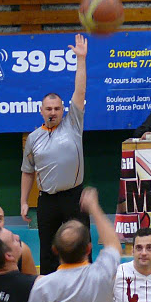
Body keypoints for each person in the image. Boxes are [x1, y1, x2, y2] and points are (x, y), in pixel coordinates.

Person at [20, 34, 89, 276]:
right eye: (48, 108)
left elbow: (79, 90)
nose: (53, 112)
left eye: (57, 108)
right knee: (48, 249)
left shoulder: (73, 124)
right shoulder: (33, 138)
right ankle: (49, 286)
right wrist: (23, 201)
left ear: (63, 110)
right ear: (41, 111)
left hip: (74, 197)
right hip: (47, 200)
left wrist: (81, 59)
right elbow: (27, 172)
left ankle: (85, 280)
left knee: (81, 243)